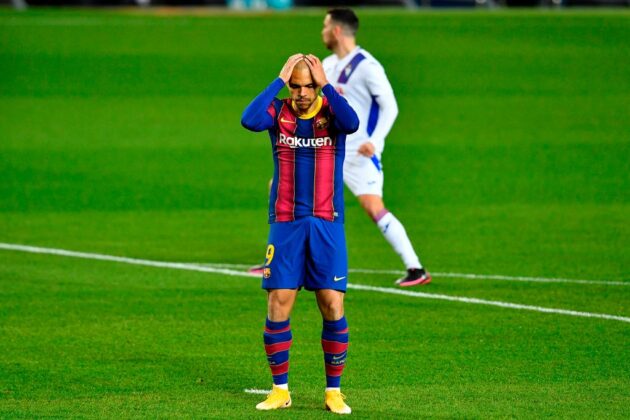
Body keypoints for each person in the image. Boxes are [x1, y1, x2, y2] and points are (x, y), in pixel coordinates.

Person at [241, 54, 359, 414]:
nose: (303, 93)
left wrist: (327, 86)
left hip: (326, 221)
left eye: (309, 86)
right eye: (296, 86)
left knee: (332, 303)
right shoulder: (277, 112)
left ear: (317, 84)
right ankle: (280, 390)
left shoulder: (332, 112)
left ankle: (333, 392)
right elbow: (248, 120)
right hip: (286, 222)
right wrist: (278, 79)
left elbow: (352, 123)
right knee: (278, 301)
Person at [321, 8, 431, 287]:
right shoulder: (327, 65)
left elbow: (390, 107)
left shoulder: (368, 67)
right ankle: (277, 258)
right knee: (285, 188)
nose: (322, 32)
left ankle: (416, 268)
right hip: (329, 149)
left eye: (325, 26)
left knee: (374, 208)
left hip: (359, 154)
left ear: (336, 31)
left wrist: (376, 140)